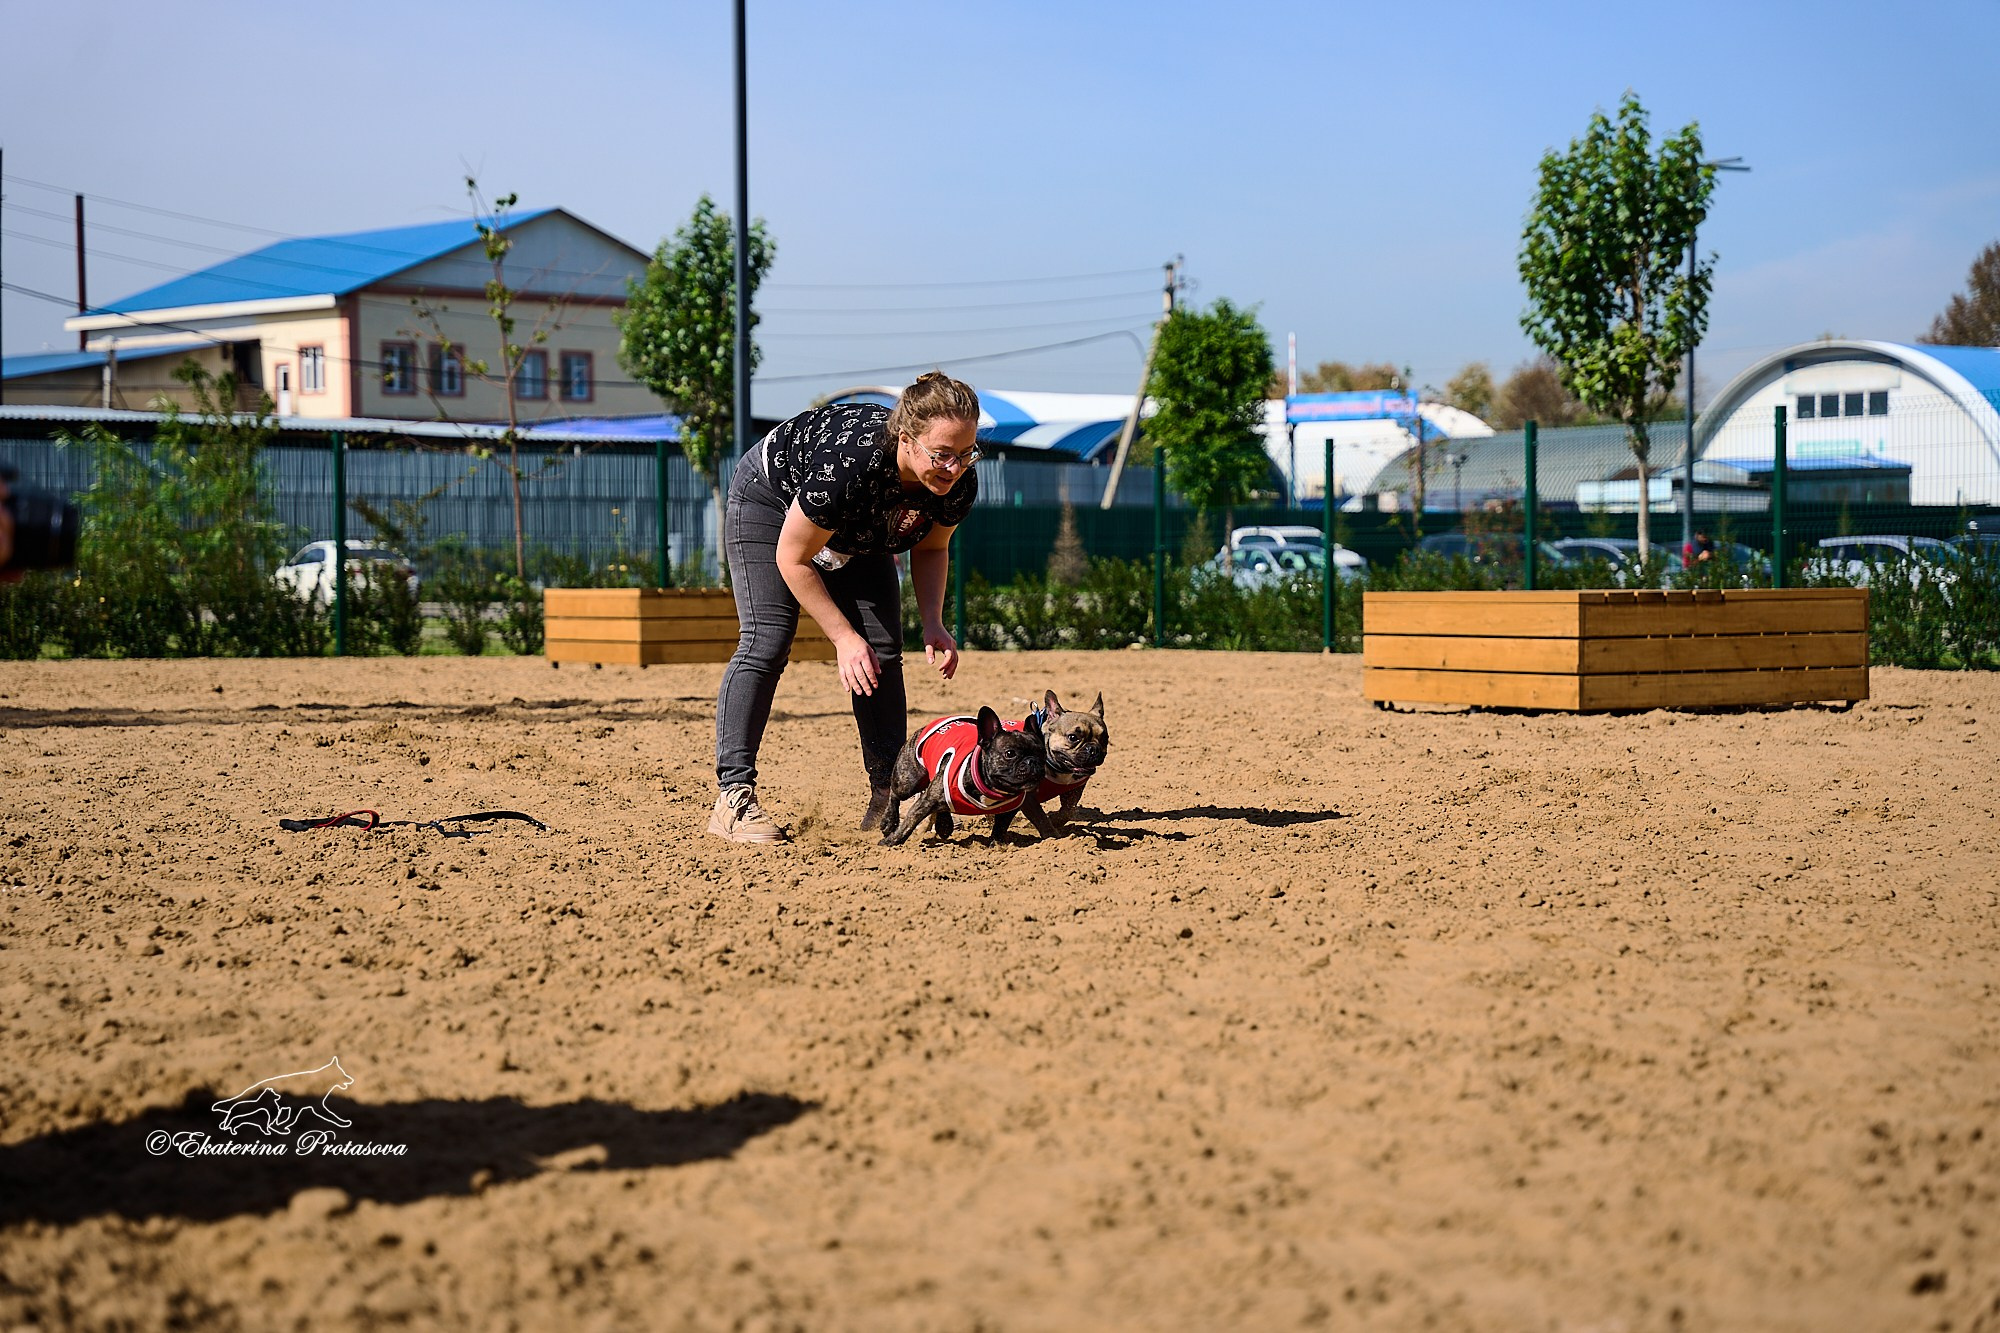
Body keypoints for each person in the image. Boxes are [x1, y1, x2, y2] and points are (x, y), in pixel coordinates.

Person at [709, 372, 981, 844]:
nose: (954, 467)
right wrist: (841, 636)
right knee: (767, 640)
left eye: (966, 453)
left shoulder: (953, 481)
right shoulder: (851, 465)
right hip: (772, 499)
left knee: (883, 648)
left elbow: (932, 548)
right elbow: (792, 558)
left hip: (859, 525)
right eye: (942, 454)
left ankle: (887, 799)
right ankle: (733, 798)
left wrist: (933, 622)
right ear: (905, 438)